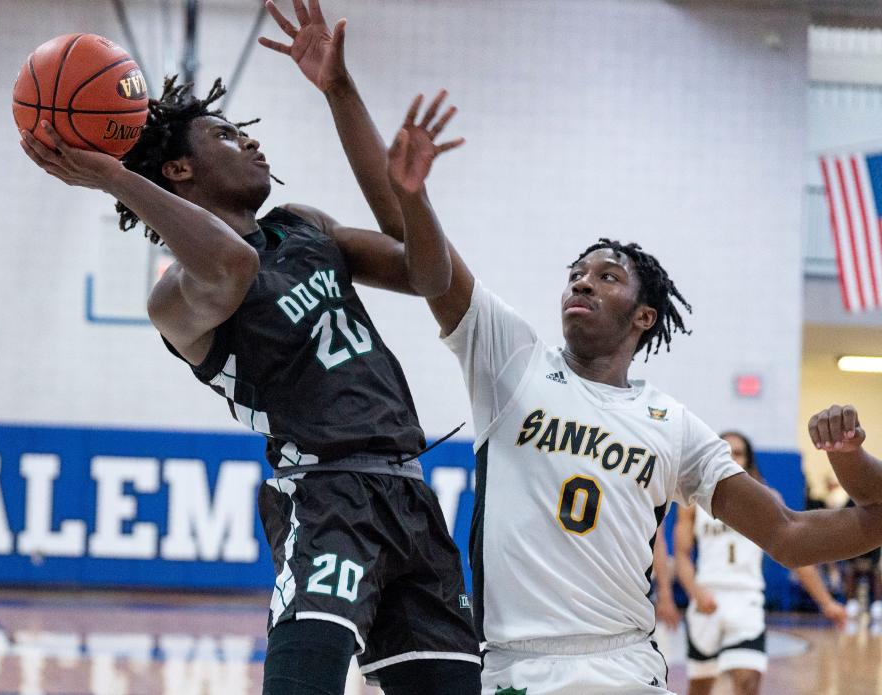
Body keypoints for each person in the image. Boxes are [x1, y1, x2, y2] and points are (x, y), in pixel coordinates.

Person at [18, 3, 482, 693]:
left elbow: (428, 272)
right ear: (177, 170)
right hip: (328, 500)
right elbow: (231, 267)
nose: (254, 144)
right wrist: (114, 175)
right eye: (228, 135)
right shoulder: (175, 296)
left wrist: (343, 96)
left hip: (412, 495)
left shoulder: (303, 226)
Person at [351, 120, 882, 691]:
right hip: (514, 665)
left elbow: (789, 534)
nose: (582, 284)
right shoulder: (512, 363)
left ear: (643, 316)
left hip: (625, 664)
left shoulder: (674, 426)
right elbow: (425, 263)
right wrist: (398, 174)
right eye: (576, 276)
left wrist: (849, 459)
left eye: (606, 277)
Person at [674, 431, 847, 695]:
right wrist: (695, 591)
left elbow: (794, 554)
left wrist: (826, 602)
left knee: (748, 682)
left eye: (739, 452)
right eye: (726, 451)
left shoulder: (767, 499)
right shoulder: (694, 501)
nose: (732, 457)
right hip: (706, 598)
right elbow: (682, 556)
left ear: (749, 459)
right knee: (699, 688)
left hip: (746, 600)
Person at [808, 405, 882, 634]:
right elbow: (790, 538)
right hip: (853, 544)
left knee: (876, 573)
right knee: (852, 572)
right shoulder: (841, 501)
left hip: (872, 549)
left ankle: (877, 605)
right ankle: (853, 603)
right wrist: (846, 453)